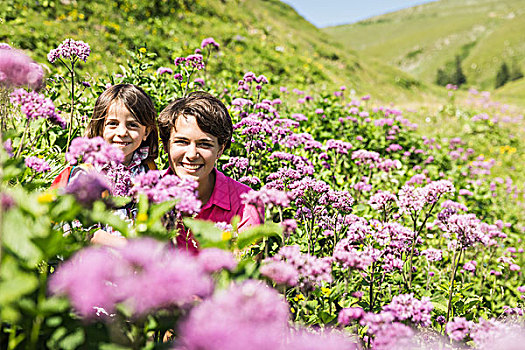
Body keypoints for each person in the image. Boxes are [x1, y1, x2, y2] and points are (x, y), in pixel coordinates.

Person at [52, 83, 159, 247]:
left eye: (132, 125)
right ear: (100, 128)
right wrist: (127, 246)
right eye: (113, 124)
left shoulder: (148, 171)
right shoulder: (87, 174)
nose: (122, 132)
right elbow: (79, 229)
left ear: (146, 132)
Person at [158, 91, 262, 252]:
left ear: (220, 149)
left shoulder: (245, 203)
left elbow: (243, 270)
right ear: (166, 145)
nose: (192, 154)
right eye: (181, 142)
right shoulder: (148, 191)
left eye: (204, 144)